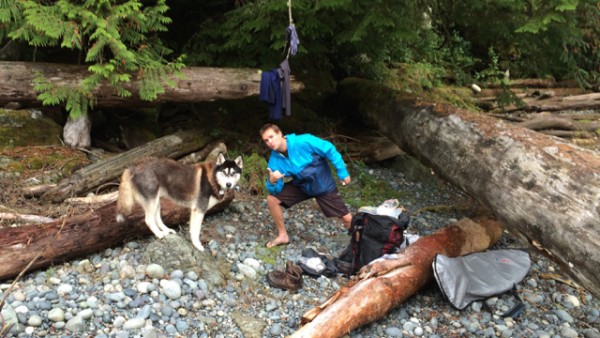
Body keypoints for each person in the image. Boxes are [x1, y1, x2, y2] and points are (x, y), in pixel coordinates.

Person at [260, 123, 352, 248]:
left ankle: (358, 241)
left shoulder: (303, 141)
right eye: (266, 140)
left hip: (322, 185)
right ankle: (283, 236)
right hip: (302, 186)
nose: (270, 142)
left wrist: (342, 172)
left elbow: (329, 149)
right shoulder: (274, 161)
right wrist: (272, 181)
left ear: (280, 133)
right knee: (272, 200)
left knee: (346, 218)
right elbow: (275, 190)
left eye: (272, 137)